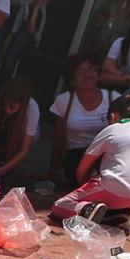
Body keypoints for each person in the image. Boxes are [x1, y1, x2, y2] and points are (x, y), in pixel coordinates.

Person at [52, 89, 130, 226]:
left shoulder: (111, 129)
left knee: (60, 206)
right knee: (111, 198)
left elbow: (82, 168)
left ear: (113, 116)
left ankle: (86, 210)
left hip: (113, 188)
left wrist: (84, 187)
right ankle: (115, 215)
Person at [47, 53, 116, 187]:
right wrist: (51, 173)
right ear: (72, 81)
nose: (88, 75)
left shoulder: (114, 98)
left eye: (92, 70)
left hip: (104, 157)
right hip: (75, 156)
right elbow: (58, 140)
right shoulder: (64, 100)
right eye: (81, 72)